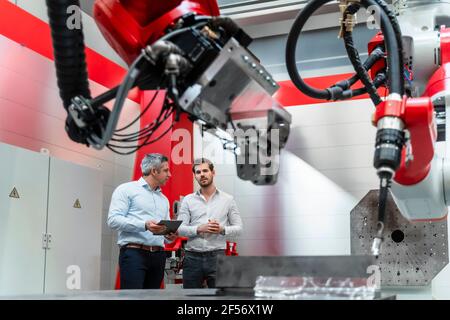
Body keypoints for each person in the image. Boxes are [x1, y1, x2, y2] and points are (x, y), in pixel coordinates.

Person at [108, 153, 177, 289]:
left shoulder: (164, 199)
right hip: (134, 255)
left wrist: (170, 236)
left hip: (158, 256)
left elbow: (166, 234)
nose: (169, 175)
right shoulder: (126, 190)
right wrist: (144, 225)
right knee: (132, 298)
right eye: (166, 170)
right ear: (154, 171)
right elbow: (113, 220)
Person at [178, 158, 243, 288]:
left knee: (220, 297)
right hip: (192, 257)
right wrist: (198, 228)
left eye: (205, 171)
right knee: (189, 298)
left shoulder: (228, 199)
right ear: (195, 175)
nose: (202, 174)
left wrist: (222, 229)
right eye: (198, 172)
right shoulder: (188, 200)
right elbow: (180, 229)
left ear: (213, 172)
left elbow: (239, 229)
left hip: (217, 256)